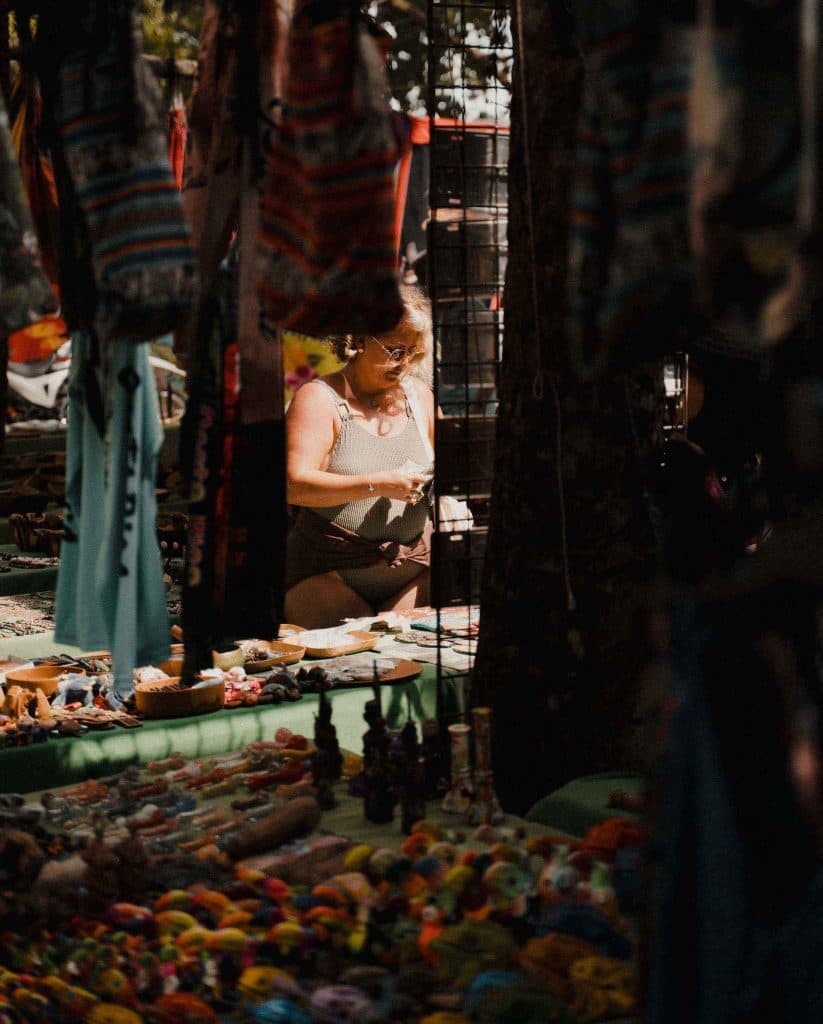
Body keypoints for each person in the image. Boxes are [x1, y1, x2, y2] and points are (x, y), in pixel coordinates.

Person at [285, 287, 435, 628]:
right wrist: (378, 484)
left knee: (407, 658)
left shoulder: (420, 397)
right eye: (396, 349)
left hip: (411, 571)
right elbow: (294, 484)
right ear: (358, 340)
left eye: (413, 352)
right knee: (354, 665)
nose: (404, 363)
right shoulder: (319, 398)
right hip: (329, 574)